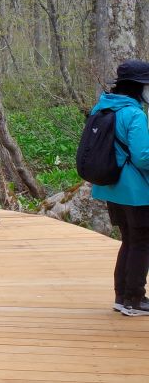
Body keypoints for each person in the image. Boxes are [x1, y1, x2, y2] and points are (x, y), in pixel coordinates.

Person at [89, 60, 149, 317]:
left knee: (129, 240)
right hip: (135, 191)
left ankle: (122, 296)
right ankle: (135, 299)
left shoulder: (102, 107)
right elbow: (143, 156)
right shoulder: (134, 113)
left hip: (110, 186)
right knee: (142, 242)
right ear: (138, 86)